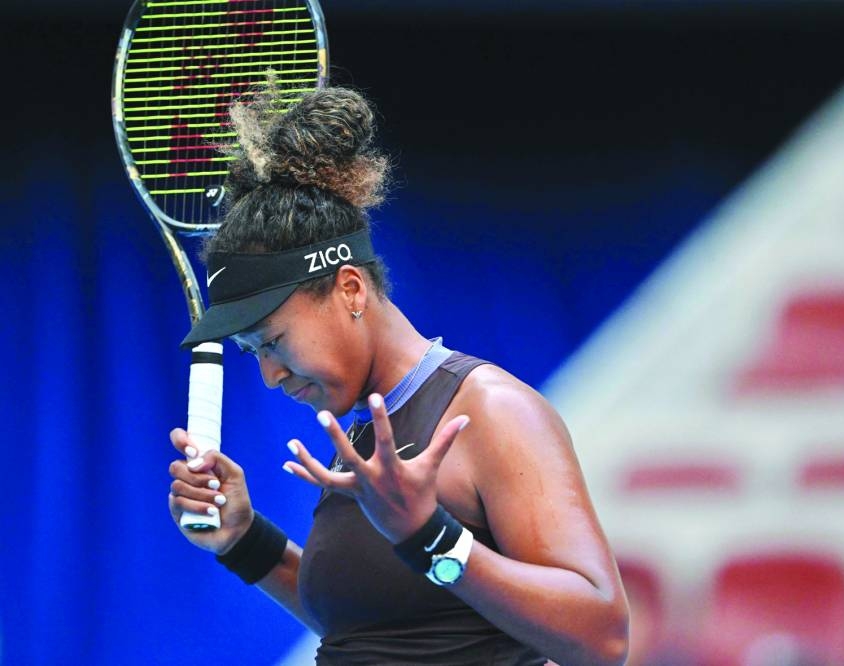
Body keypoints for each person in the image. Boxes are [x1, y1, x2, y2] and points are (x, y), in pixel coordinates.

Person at [166, 81, 629, 666]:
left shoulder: (490, 408)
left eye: (274, 341)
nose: (269, 374)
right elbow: (388, 633)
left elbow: (603, 636)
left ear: (350, 289)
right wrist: (243, 540)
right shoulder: (365, 431)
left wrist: (431, 536)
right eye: (251, 350)